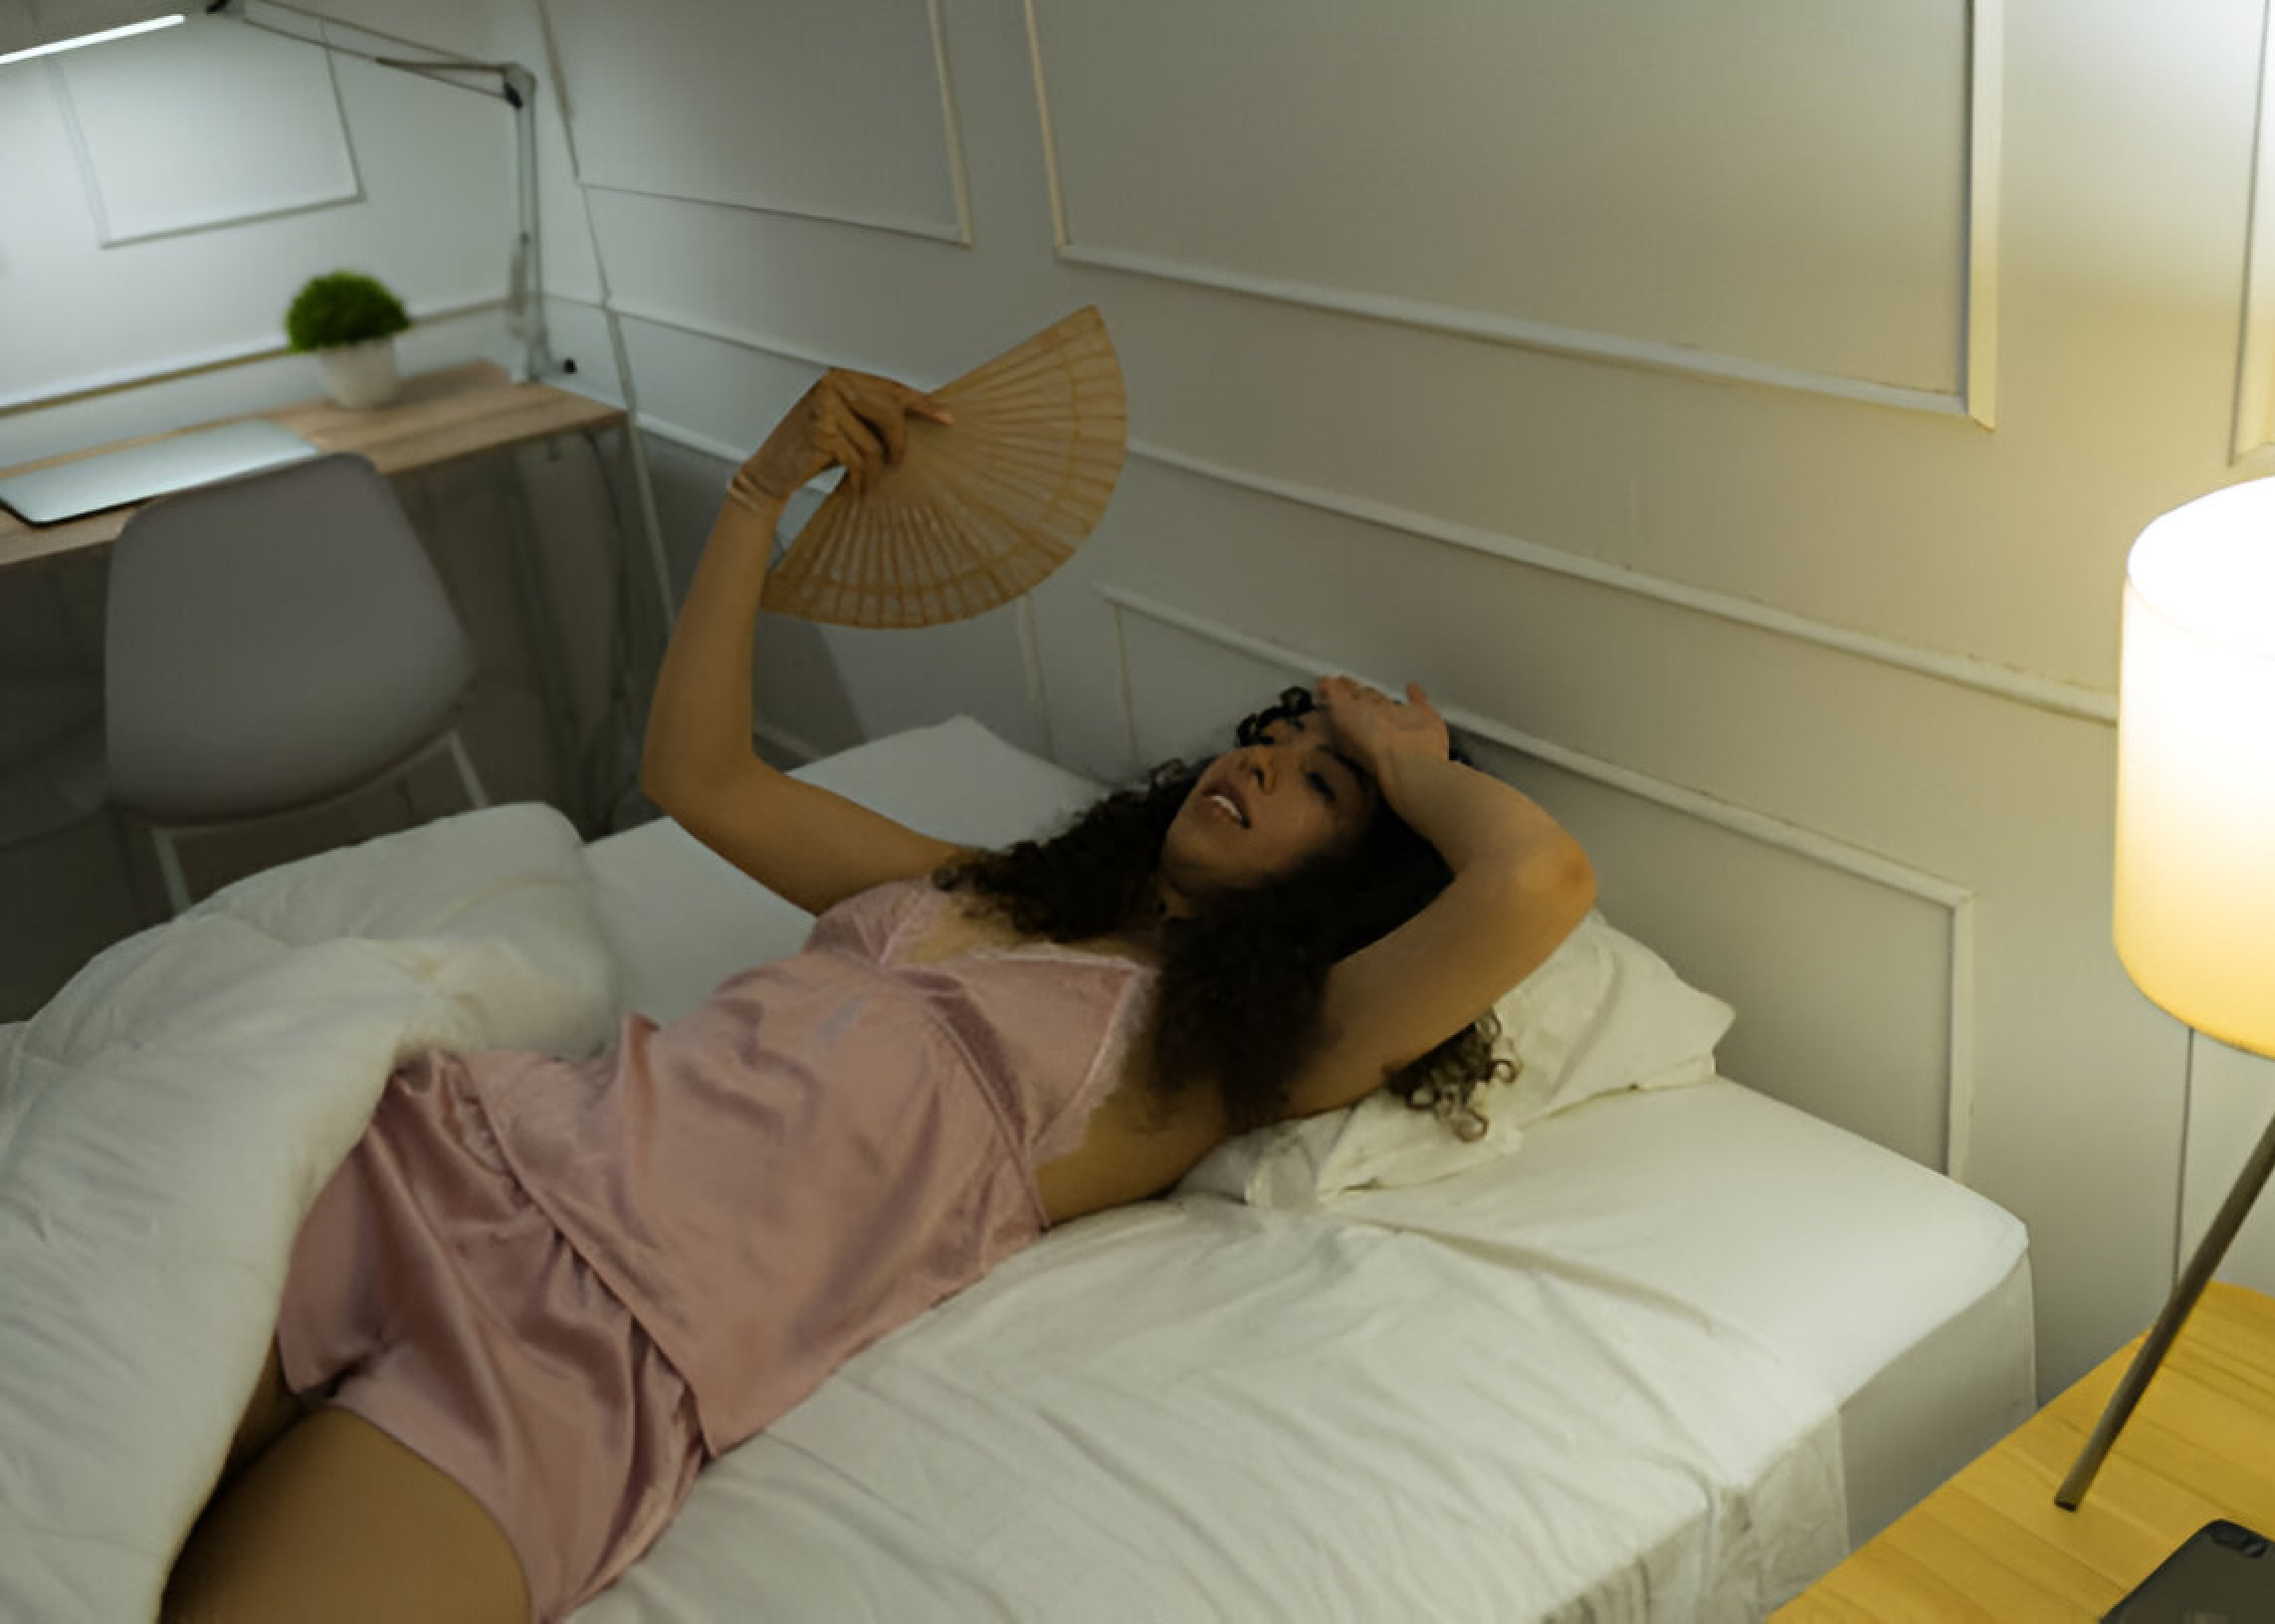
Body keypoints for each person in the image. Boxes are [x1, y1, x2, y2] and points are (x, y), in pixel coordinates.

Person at [163, 366, 1595, 1623]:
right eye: (1273, 736)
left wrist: (1412, 768)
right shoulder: (993, 887)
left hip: (598, 1352)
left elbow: (1537, 885)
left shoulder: (1220, 1060)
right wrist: (761, 489)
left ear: (1349, 893)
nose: (1267, 761)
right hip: (455, 1159)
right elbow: (701, 777)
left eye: (1318, 782)